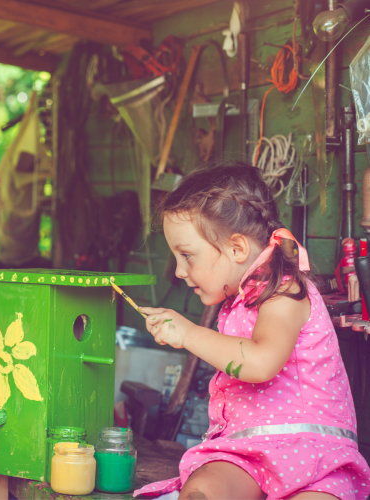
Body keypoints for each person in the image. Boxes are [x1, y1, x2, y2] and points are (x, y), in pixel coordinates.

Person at [134, 164, 370, 500]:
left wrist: (188, 334)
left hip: (314, 459)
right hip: (246, 455)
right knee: (201, 491)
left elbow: (260, 362)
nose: (179, 271)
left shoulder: (286, 293)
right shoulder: (237, 301)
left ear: (237, 249)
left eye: (187, 255)